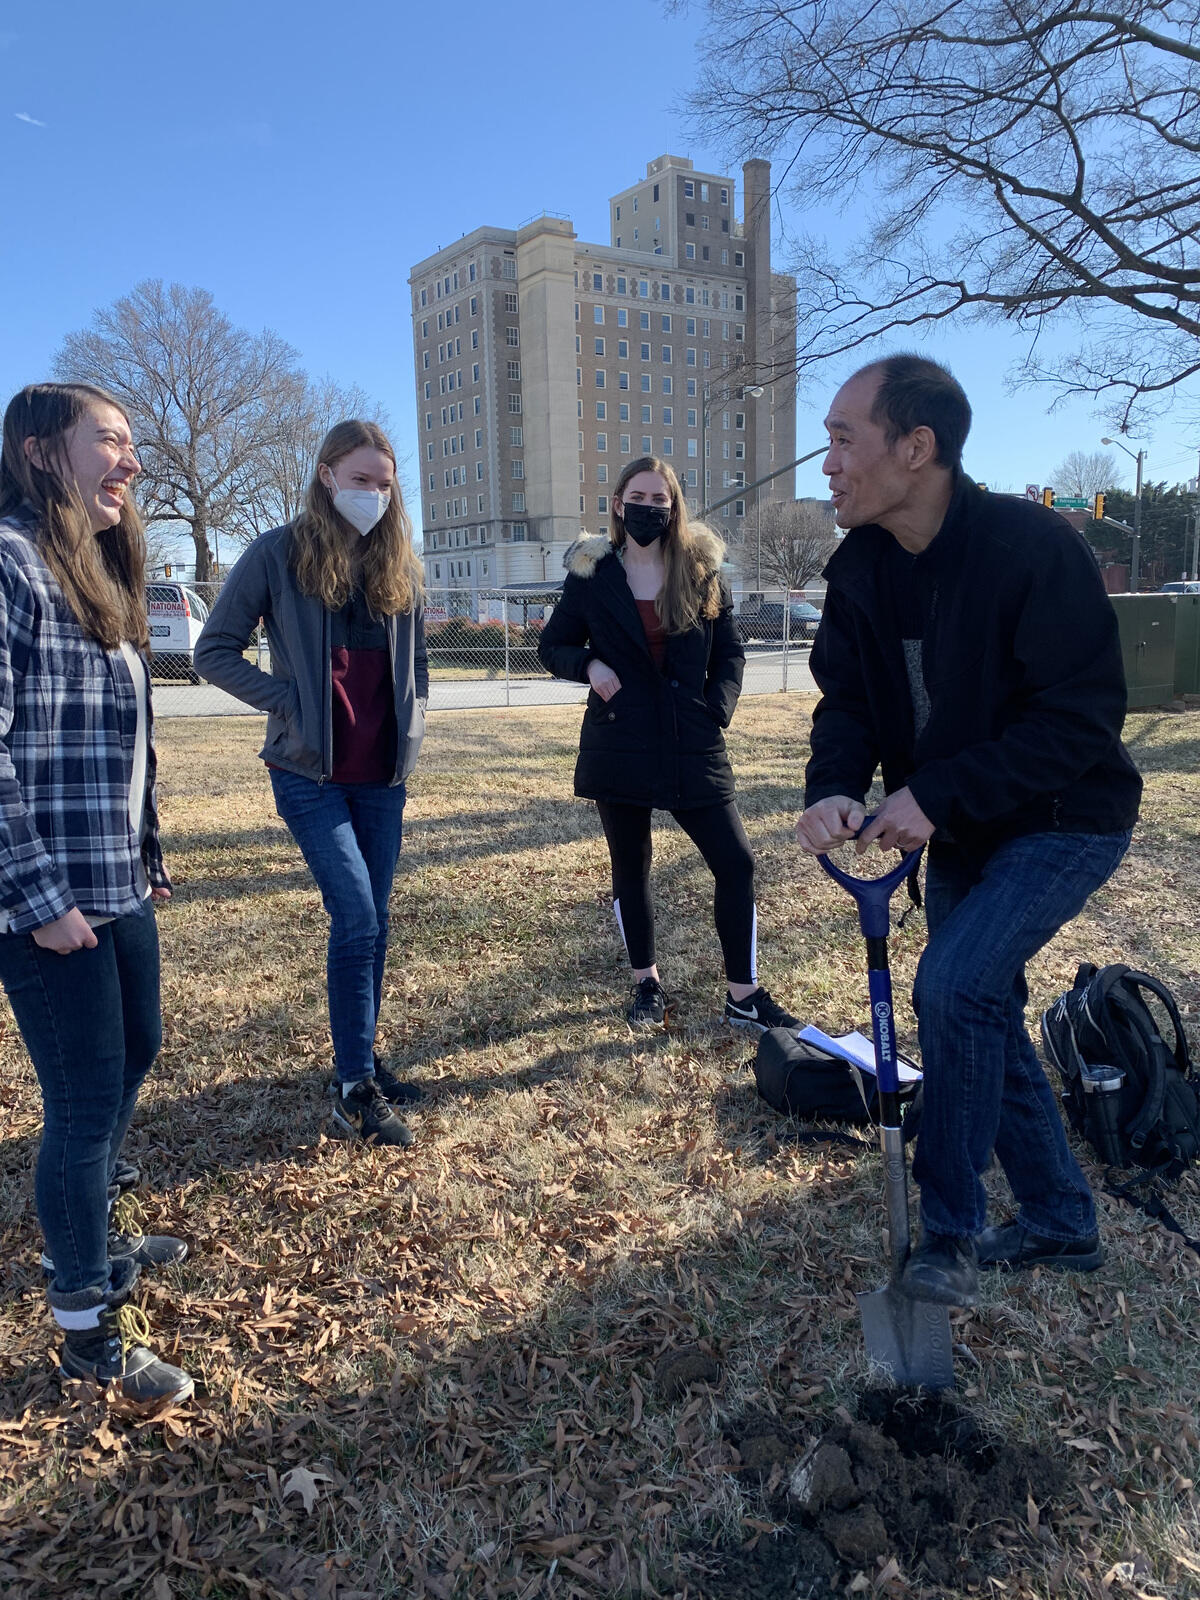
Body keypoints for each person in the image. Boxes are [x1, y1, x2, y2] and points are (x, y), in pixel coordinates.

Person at [795, 355, 1142, 1307]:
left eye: (842, 439)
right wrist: (833, 787)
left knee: (950, 985)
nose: (827, 463)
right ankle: (1062, 1220)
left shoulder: (1032, 547)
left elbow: (1078, 722)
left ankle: (946, 1232)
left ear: (917, 448)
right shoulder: (860, 566)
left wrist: (937, 794)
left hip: (1065, 818)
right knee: (979, 1008)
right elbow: (849, 703)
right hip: (957, 827)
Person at [0, 383, 191, 1404]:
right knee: (78, 1108)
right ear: (40, 452)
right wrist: (35, 897)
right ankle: (85, 1327)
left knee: (139, 1048)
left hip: (114, 880)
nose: (129, 463)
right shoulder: (9, 560)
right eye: (108, 442)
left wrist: (145, 854)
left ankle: (100, 1231)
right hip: (44, 899)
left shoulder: (97, 571)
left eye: (131, 444)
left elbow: (123, 741)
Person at [195, 420, 427, 1147]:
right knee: (356, 916)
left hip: (381, 776)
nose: (375, 496)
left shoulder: (398, 559)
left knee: (374, 923)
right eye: (362, 481)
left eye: (385, 485)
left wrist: (416, 721)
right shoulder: (277, 552)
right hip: (308, 773)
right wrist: (287, 700)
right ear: (326, 475)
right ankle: (353, 1087)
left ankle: (362, 1058)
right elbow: (213, 651)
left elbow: (413, 663)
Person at [539, 455, 799, 1032]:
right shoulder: (592, 574)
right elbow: (552, 645)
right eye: (639, 497)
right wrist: (590, 664)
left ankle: (743, 994)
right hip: (620, 737)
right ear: (617, 503)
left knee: (735, 862)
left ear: (675, 507)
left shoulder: (700, 571)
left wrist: (717, 709)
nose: (649, 508)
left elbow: (730, 653)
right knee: (631, 868)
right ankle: (646, 984)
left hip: (692, 739)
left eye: (661, 500)